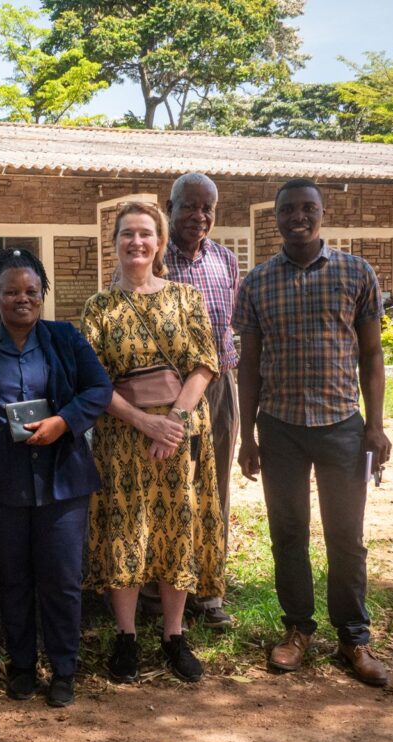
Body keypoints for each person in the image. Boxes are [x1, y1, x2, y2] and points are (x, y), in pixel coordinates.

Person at [233, 178, 391, 687]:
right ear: (276, 217)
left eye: (308, 208)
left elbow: (372, 354)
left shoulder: (356, 272)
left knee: (346, 537)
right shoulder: (257, 282)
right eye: (288, 210)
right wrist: (247, 437)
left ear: (322, 213)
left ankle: (353, 637)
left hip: (342, 426)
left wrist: (376, 426)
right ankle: (297, 629)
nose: (298, 217)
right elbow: (249, 365)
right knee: (288, 534)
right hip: (280, 428)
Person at [0, 249, 112, 707]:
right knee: (13, 580)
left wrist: (63, 422)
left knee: (61, 580)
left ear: (43, 294)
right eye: (12, 292)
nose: (23, 299)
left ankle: (63, 669)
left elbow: (99, 389)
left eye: (32, 291)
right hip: (2, 487)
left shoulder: (66, 339)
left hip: (62, 484)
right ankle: (21, 666)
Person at [81, 201, 224, 684]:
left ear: (160, 242)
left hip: (180, 436)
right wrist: (146, 423)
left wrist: (173, 422)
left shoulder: (185, 297)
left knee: (176, 527)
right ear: (115, 242)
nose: (136, 242)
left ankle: (173, 635)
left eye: (145, 233)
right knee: (126, 529)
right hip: (123, 436)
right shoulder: (100, 307)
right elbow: (94, 382)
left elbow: (204, 363)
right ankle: (126, 636)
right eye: (127, 233)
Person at [164, 173, 240, 629]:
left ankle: (209, 589)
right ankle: (163, 585)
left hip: (220, 386)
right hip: (170, 392)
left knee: (216, 486)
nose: (199, 215)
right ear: (169, 207)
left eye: (207, 208)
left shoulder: (225, 259)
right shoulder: (154, 259)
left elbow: (232, 324)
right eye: (189, 206)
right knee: (172, 485)